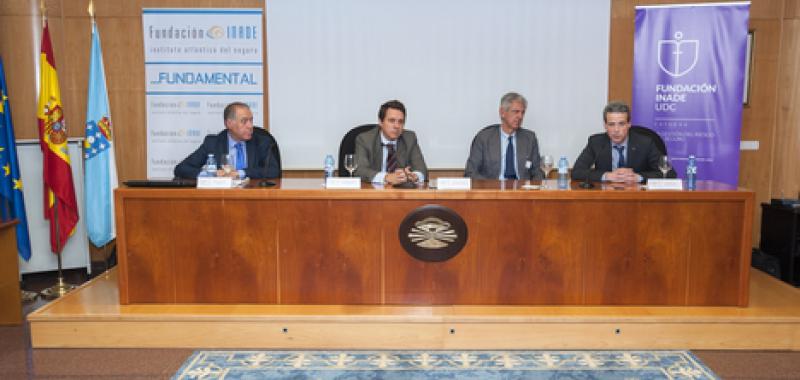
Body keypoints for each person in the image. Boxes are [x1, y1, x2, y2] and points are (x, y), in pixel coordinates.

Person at [572, 101, 674, 183]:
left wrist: (638, 177)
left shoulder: (645, 143)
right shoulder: (596, 142)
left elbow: (670, 174)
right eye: (611, 124)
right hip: (606, 196)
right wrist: (607, 176)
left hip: (637, 197)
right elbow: (577, 172)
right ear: (605, 125)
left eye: (621, 124)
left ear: (629, 124)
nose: (616, 130)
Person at [174, 102, 281, 179]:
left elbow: (273, 171)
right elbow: (181, 168)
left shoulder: (261, 141)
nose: (250, 126)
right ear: (229, 123)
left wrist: (240, 173)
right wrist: (210, 174)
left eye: (251, 120)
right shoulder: (213, 143)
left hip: (252, 196)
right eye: (244, 121)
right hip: (222, 197)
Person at [464, 92, 543, 180]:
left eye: (522, 112)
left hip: (521, 187)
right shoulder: (484, 138)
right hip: (493, 187)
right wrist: (491, 185)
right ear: (502, 112)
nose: (520, 116)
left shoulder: (530, 138)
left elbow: (537, 172)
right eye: (516, 112)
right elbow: (470, 172)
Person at [354, 100, 427, 185]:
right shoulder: (365, 139)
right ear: (380, 122)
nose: (397, 126)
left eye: (400, 122)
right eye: (392, 121)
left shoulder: (409, 138)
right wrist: (386, 177)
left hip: (401, 192)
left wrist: (415, 176)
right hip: (374, 191)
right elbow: (360, 170)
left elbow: (422, 170)